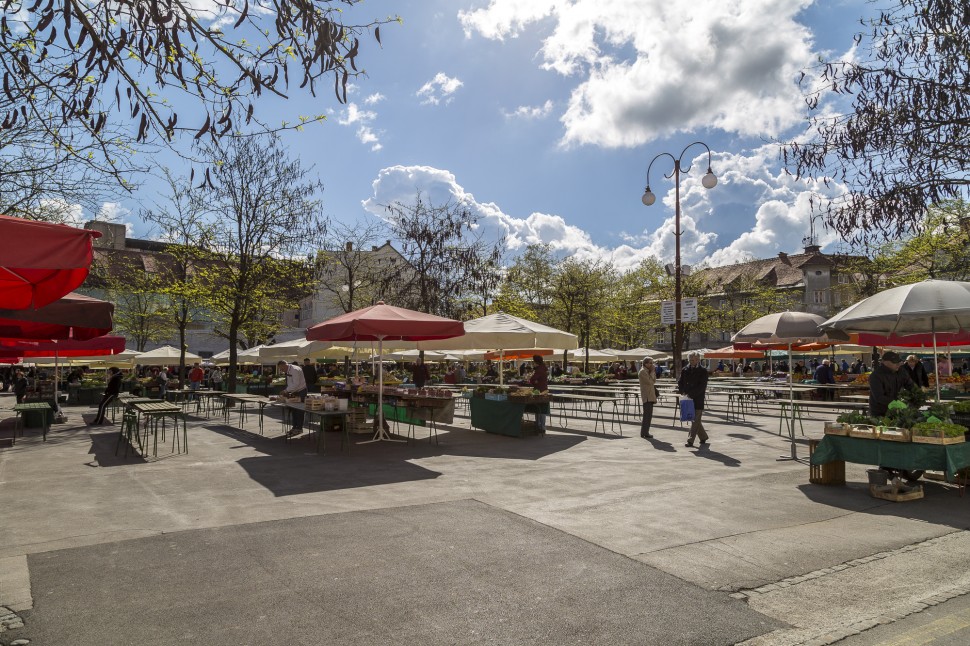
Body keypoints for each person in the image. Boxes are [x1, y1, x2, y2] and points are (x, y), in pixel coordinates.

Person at [678, 352, 709, 448]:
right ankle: (703, 437)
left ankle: (690, 440)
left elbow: (702, 386)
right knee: (694, 419)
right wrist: (682, 391)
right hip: (687, 398)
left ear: (698, 360)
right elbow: (680, 382)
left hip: (697, 398)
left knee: (695, 419)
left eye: (694, 360)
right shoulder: (685, 369)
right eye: (690, 360)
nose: (692, 361)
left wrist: (691, 394)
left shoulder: (703, 371)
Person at [869, 351, 913, 418]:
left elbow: (910, 385)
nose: (898, 364)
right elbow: (879, 397)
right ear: (885, 362)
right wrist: (895, 402)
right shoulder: (876, 376)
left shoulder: (901, 372)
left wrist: (915, 395)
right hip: (880, 413)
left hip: (897, 411)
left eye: (898, 362)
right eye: (894, 362)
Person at [277, 360, 307, 437]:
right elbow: (290, 383)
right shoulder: (288, 370)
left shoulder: (295, 370)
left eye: (282, 369)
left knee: (299, 410)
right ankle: (295, 427)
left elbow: (296, 384)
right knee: (293, 409)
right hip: (295, 391)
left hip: (301, 391)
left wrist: (286, 391)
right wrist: (288, 391)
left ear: (285, 365)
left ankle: (299, 428)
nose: (281, 370)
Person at [638, 357, 658, 439]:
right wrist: (652, 372)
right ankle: (644, 432)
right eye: (650, 363)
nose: (651, 364)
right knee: (647, 415)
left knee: (649, 415)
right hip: (647, 396)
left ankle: (645, 432)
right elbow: (650, 382)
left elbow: (654, 381)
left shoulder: (648, 371)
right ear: (645, 363)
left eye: (652, 363)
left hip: (651, 395)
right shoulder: (643, 372)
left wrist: (652, 372)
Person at [529, 354, 549, 434]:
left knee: (540, 409)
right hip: (543, 389)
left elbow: (532, 379)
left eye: (533, 361)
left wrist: (534, 381)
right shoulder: (543, 368)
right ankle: (540, 426)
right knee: (541, 409)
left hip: (540, 391)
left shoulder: (539, 369)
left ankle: (540, 426)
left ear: (536, 362)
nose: (533, 363)